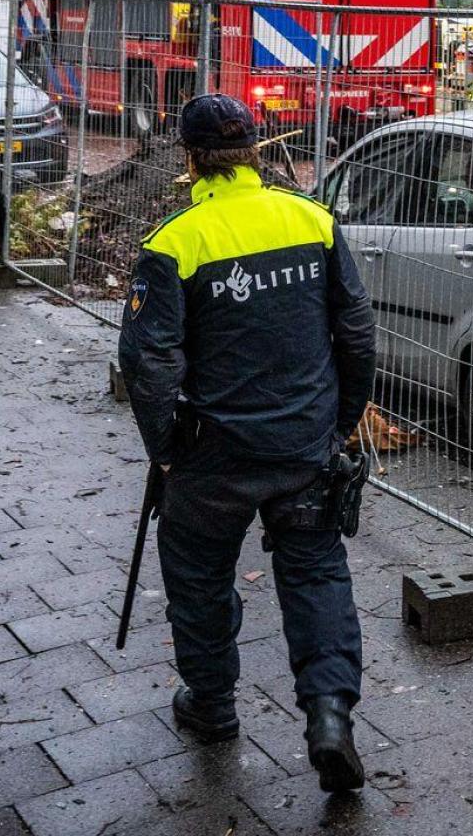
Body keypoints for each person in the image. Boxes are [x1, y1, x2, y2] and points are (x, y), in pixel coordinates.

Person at [117, 94, 376, 792]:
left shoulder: (176, 240)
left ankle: (213, 705)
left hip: (213, 457)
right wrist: (340, 420)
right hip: (303, 446)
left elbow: (149, 364)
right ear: (257, 151)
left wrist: (166, 448)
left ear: (192, 157)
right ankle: (328, 715)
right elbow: (356, 331)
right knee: (317, 573)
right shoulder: (312, 220)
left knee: (199, 577)